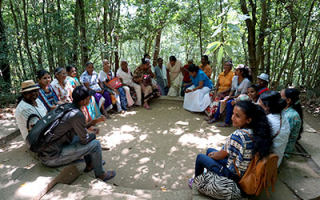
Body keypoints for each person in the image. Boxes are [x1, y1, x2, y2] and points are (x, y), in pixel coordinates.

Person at [39, 85, 116, 182]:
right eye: (88, 98)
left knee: (85, 137)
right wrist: (93, 134)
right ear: (83, 101)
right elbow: (85, 140)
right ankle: (100, 174)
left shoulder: (69, 108)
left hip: (49, 151)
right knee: (95, 144)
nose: (90, 99)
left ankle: (90, 164)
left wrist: (93, 122)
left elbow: (79, 131)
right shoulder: (77, 114)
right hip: (53, 157)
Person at [189, 101, 272, 188]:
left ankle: (196, 182)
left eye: (238, 116)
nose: (233, 118)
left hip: (234, 176)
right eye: (233, 114)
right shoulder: (256, 131)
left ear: (248, 120)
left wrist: (212, 156)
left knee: (200, 157)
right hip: (244, 169)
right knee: (210, 151)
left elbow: (220, 156)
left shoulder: (238, 135)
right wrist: (213, 155)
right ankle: (209, 176)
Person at [258, 91, 290, 167]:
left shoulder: (268, 121)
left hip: (265, 166)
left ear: (266, 106)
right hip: (276, 161)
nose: (258, 104)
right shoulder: (283, 116)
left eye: (259, 102)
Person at [281, 88, 303, 154]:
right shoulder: (285, 110)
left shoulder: (291, 116)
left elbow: (284, 135)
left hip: (285, 148)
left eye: (281, 97)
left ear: (288, 100)